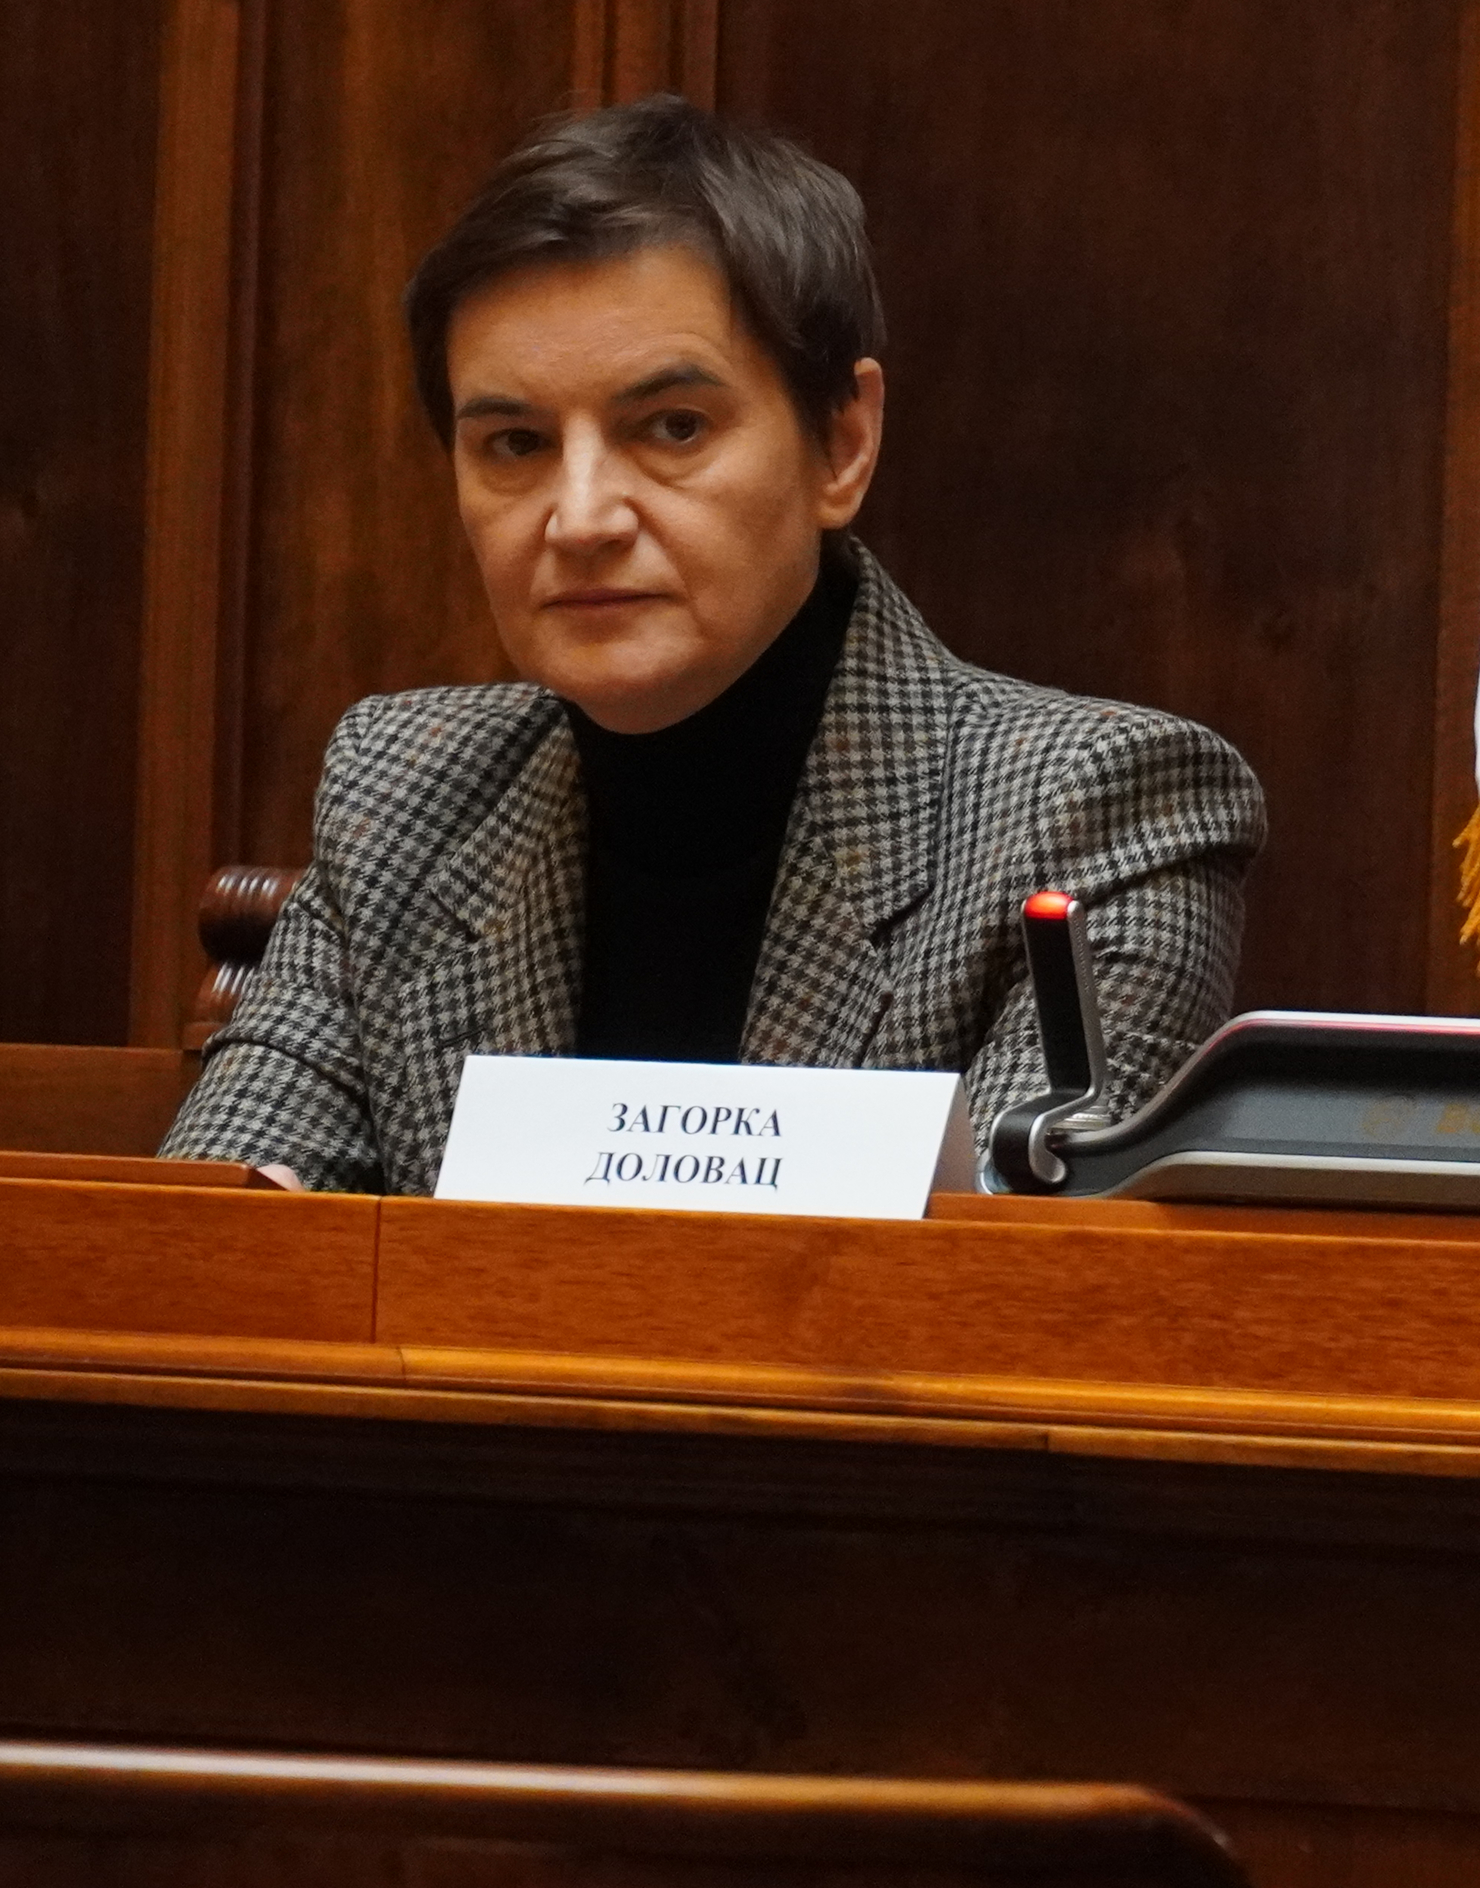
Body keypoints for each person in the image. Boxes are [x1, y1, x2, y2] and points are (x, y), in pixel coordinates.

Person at [162, 96, 1265, 1195]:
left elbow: (997, 1306)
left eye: (672, 428)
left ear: (842, 443)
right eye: (515, 444)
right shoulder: (405, 794)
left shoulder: (1098, 817)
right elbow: (217, 1256)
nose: (581, 515)